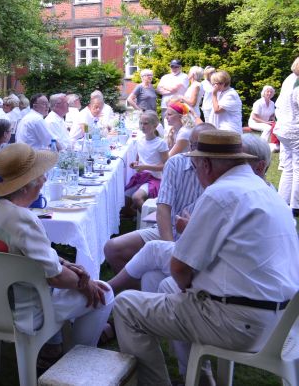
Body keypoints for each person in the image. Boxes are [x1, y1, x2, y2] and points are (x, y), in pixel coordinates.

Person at [113, 130, 299, 385]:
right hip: (282, 321)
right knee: (169, 288)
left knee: (126, 306)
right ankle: (200, 377)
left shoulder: (220, 193)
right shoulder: (266, 191)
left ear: (207, 164)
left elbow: (180, 268)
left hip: (240, 323)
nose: (196, 171)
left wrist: (192, 288)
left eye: (196, 164)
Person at [0, 144, 114, 350]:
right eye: (40, 175)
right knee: (103, 293)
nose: (44, 180)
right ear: (25, 186)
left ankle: (52, 348)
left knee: (68, 282)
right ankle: (76, 362)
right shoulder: (21, 219)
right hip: (20, 312)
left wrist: (64, 263)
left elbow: (33, 257)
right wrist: (84, 283)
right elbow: (56, 277)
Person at [108, 131, 272, 296]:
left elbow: (190, 262)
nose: (229, 165)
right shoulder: (262, 193)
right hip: (233, 276)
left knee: (154, 253)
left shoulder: (227, 191)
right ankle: (133, 306)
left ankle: (108, 292)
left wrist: (190, 231)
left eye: (237, 161)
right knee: (152, 275)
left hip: (229, 282)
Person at [102, 123, 214, 275]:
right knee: (112, 248)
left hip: (199, 238)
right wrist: (168, 246)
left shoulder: (219, 169)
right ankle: (138, 294)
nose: (197, 151)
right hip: (168, 229)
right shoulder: (176, 163)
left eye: (204, 146)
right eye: (194, 145)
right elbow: (163, 208)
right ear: (189, 144)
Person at [123, 111, 169, 216]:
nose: (142, 126)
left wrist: (145, 167)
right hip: (141, 177)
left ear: (155, 125)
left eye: (146, 123)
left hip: (155, 179)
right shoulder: (140, 141)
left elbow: (165, 166)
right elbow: (138, 161)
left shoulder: (160, 143)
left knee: (136, 197)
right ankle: (137, 215)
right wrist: (135, 164)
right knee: (124, 205)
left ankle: (151, 221)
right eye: (141, 123)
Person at [274, 56, 299, 211]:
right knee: (297, 167)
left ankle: (282, 200)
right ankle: (296, 204)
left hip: (284, 128)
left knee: (289, 166)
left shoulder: (289, 79)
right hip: (295, 129)